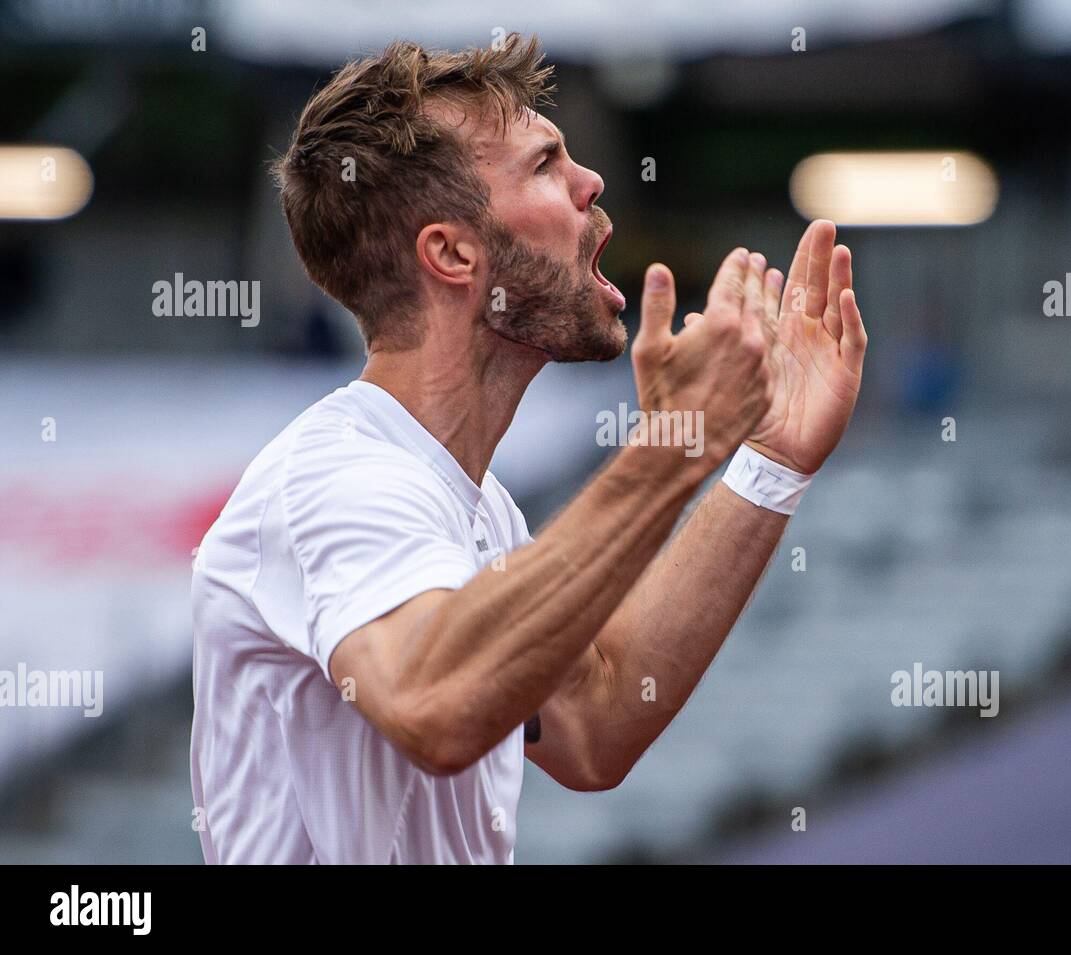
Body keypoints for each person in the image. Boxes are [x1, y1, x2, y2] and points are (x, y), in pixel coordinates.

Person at [189, 34, 867, 863]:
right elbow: (435, 703)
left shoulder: (474, 506)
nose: (593, 185)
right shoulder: (339, 479)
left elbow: (596, 724)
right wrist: (674, 449)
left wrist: (767, 463)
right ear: (450, 253)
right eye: (546, 165)